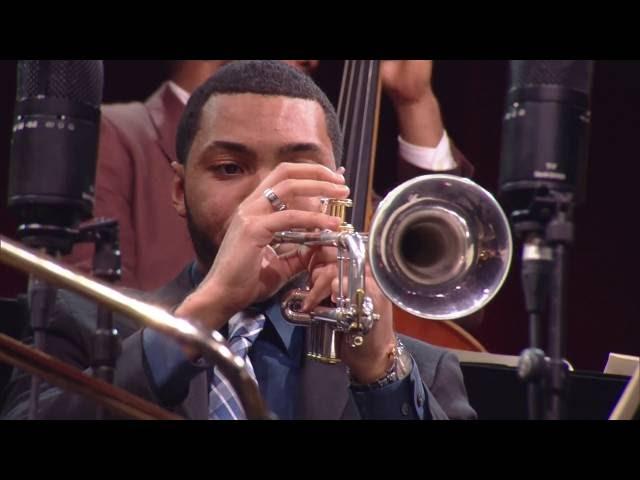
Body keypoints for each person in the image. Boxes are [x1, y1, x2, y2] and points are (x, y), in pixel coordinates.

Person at [1, 61, 476, 420]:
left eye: (298, 169)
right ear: (179, 191)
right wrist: (206, 312)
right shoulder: (78, 325)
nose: (265, 200)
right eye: (230, 168)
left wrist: (380, 376)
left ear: (339, 191)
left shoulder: (422, 370)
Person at [66, 60, 473, 291]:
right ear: (179, 184)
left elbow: (448, 287)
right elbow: (90, 310)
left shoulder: (320, 171)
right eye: (229, 168)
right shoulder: (118, 134)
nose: (313, 62)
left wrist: (414, 101)